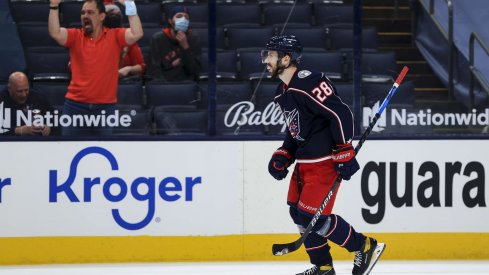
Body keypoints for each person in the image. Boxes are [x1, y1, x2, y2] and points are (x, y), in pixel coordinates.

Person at [262, 35, 385, 275]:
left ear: (286, 59)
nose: (266, 60)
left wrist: (343, 149)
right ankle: (323, 267)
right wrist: (285, 153)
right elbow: (296, 126)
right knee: (296, 212)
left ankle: (365, 245)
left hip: (323, 162)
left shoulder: (310, 81)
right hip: (304, 163)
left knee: (312, 217)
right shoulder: (282, 91)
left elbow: (341, 114)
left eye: (271, 55)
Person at [48, 0, 143, 136]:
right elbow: (55, 33)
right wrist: (54, 6)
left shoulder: (114, 35)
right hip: (75, 105)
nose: (85, 16)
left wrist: (130, 5)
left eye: (90, 12)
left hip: (105, 107)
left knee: (102, 152)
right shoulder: (75, 36)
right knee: (69, 150)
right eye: (83, 13)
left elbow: (137, 33)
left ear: (102, 16)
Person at [147, 6, 201, 82]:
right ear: (170, 21)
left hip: (186, 84)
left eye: (186, 17)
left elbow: (194, 71)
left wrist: (185, 46)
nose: (183, 20)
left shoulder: (193, 38)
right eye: (179, 16)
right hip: (163, 84)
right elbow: (154, 69)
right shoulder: (158, 38)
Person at [0, 72, 54, 136]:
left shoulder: (38, 97)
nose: (24, 94)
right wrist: (18, 131)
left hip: (36, 142)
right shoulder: (1, 100)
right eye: (19, 91)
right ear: (9, 88)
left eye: (26, 90)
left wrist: (49, 127)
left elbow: (55, 117)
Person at [104, 3, 145, 78]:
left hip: (123, 81)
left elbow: (142, 67)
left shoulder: (127, 37)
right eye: (110, 12)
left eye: (117, 12)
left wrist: (129, 69)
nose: (114, 12)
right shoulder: (95, 37)